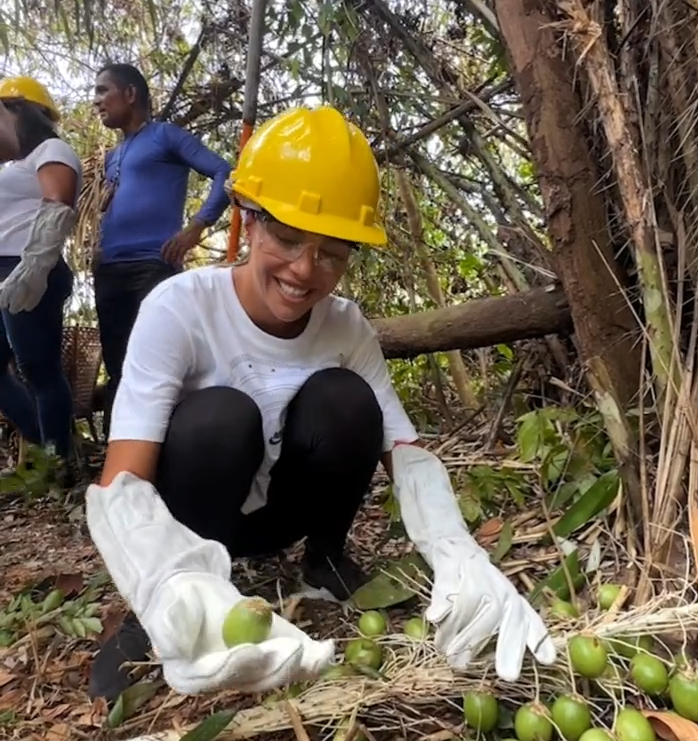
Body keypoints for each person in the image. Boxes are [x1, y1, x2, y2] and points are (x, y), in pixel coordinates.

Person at [85, 104, 557, 703]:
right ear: (249, 221)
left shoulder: (345, 327)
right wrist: (155, 582)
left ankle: (325, 559)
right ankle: (174, 601)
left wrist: (455, 549)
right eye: (286, 237)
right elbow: (122, 482)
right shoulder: (179, 308)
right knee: (220, 417)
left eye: (332, 252)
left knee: (349, 400)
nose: (305, 271)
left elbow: (401, 446)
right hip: (198, 523)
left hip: (282, 515)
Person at [92, 62, 232, 436]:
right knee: (118, 363)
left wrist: (196, 228)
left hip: (154, 266)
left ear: (130, 94)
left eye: (103, 91)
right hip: (109, 270)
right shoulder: (112, 156)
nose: (97, 101)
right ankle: (120, 454)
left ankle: (173, 446)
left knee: (158, 361)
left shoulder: (166, 137)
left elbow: (224, 172)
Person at [0, 76, 81, 473]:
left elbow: (58, 202)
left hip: (30, 264)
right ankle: (50, 448)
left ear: (21, 111)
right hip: (3, 268)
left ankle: (57, 461)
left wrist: (35, 266)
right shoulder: (11, 163)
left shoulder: (52, 149)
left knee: (38, 368)